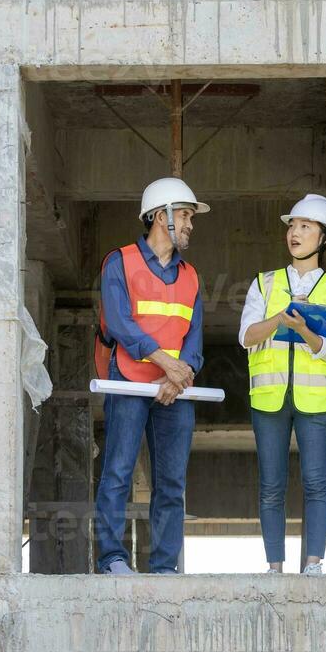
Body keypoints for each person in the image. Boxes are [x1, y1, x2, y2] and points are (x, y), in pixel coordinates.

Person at [92, 178, 209, 575]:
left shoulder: (191, 276)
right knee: (118, 471)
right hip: (127, 379)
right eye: (185, 215)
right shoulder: (118, 262)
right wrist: (168, 365)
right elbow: (121, 324)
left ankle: (164, 567)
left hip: (173, 390)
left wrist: (179, 375)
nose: (191, 224)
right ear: (161, 217)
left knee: (172, 483)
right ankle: (112, 559)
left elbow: (194, 338)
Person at [239, 194, 326, 574]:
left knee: (316, 482)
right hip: (270, 396)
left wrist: (305, 330)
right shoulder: (264, 283)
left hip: (317, 401)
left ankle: (314, 564)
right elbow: (246, 336)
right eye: (292, 225)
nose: (295, 233)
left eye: (306, 227)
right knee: (271, 485)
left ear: (324, 237)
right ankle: (274, 567)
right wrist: (278, 321)